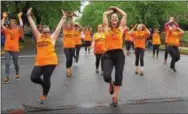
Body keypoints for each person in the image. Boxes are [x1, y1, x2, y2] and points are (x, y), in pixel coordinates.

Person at [27, 8, 66, 102]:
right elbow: (33, 26)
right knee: (34, 77)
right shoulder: (38, 37)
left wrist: (64, 18)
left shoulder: (52, 38)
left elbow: (58, 27)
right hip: (39, 62)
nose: (47, 33)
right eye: (45, 32)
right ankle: (43, 84)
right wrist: (28, 16)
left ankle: (44, 94)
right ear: (42, 32)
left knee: (46, 78)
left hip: (51, 61)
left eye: (48, 32)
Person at [103, 6, 127, 107]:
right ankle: (110, 83)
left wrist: (117, 9)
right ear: (110, 20)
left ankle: (115, 97)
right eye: (112, 17)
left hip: (119, 55)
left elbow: (125, 15)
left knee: (118, 76)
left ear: (118, 21)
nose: (114, 19)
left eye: (116, 17)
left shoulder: (121, 28)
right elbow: (104, 14)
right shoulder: (106, 28)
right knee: (106, 76)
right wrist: (111, 11)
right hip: (108, 54)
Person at [1, 12, 24, 83]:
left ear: (15, 24)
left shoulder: (18, 30)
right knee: (7, 63)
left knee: (15, 63)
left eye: (14, 22)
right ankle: (7, 77)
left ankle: (17, 73)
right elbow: (1, 25)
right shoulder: (7, 30)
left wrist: (19, 17)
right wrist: (4, 17)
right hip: (7, 49)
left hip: (15, 49)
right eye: (11, 23)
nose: (12, 23)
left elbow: (21, 25)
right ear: (10, 24)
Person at [62, 11, 76, 77]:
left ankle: (70, 68)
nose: (68, 25)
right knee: (68, 58)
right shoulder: (64, 30)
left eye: (69, 25)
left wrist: (72, 17)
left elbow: (72, 23)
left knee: (71, 59)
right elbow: (64, 22)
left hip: (72, 46)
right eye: (67, 25)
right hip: (66, 47)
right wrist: (65, 16)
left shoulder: (72, 30)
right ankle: (68, 70)